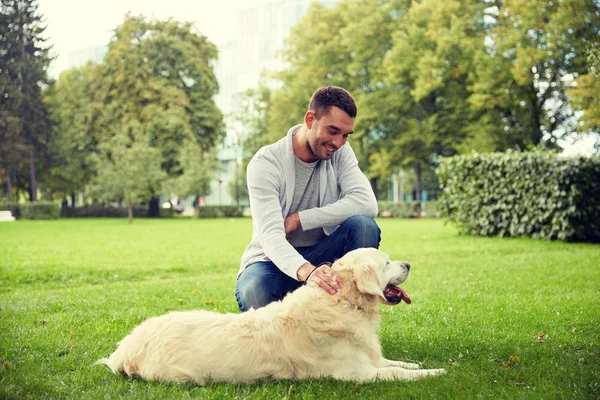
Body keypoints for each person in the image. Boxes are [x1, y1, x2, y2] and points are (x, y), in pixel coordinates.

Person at [235, 86, 380, 312]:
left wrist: (302, 218)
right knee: (253, 290)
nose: (339, 142)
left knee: (363, 226)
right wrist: (307, 271)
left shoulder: (341, 151)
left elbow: (366, 203)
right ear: (310, 119)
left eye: (345, 135)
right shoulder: (266, 164)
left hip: (324, 254)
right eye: (332, 131)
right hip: (273, 260)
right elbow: (271, 236)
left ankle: (350, 321)